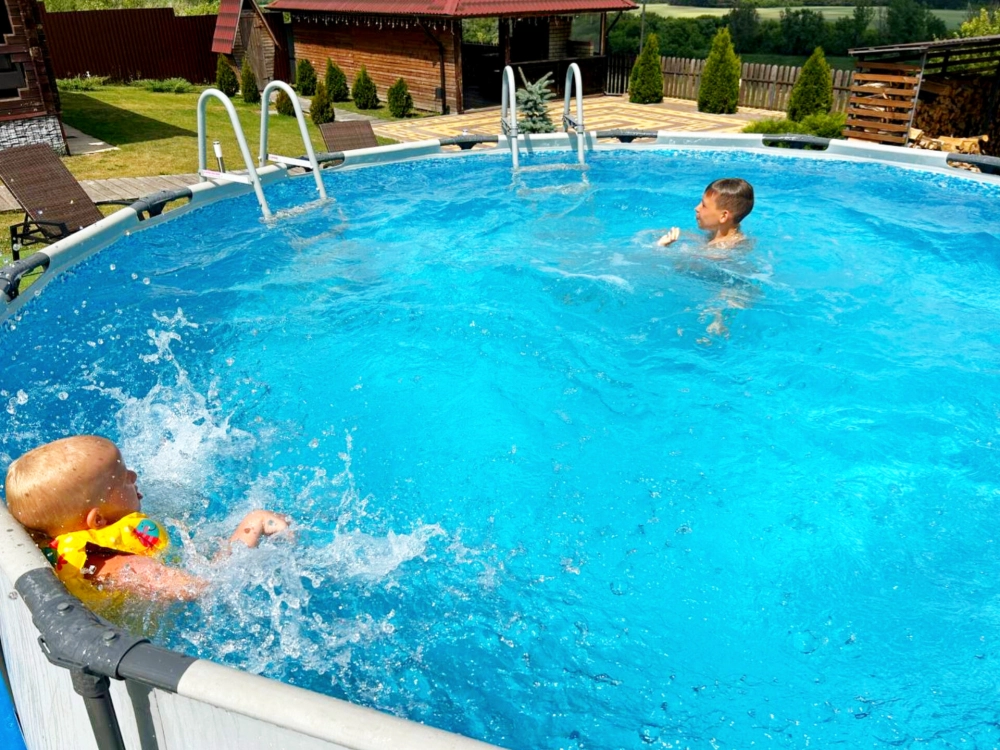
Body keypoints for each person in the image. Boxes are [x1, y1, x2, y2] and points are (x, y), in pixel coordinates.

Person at [4, 435, 289, 601]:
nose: (133, 476)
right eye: (122, 479)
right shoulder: (114, 565)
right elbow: (205, 587)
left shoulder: (57, 540)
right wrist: (252, 525)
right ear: (98, 521)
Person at [658, 178, 755, 250]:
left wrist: (661, 246)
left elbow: (679, 266)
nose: (696, 208)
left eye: (704, 205)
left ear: (723, 216)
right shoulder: (724, 231)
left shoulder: (720, 251)